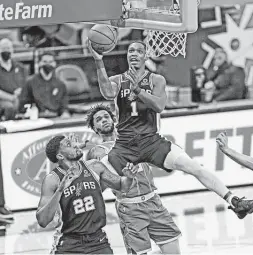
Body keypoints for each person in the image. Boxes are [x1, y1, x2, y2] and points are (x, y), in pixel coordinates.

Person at [89, 40, 253, 223]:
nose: (133, 54)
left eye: (138, 51)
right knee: (96, 176)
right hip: (125, 145)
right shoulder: (118, 80)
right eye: (130, 51)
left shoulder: (156, 79)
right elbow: (107, 93)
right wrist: (98, 61)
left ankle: (234, 201)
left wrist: (138, 91)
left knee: (194, 167)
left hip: (151, 141)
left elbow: (159, 106)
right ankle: (75, 215)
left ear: (146, 55)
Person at [86, 104, 181, 255]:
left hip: (153, 201)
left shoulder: (134, 137)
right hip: (130, 207)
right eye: (98, 119)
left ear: (114, 120)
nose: (104, 120)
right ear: (95, 128)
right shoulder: (96, 152)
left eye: (106, 117)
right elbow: (97, 187)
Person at [36, 135, 137, 254]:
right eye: (69, 144)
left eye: (73, 142)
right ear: (60, 156)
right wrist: (60, 191)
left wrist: (129, 178)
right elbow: (42, 221)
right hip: (68, 244)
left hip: (98, 241)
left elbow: (122, 186)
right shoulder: (52, 180)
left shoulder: (95, 166)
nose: (75, 144)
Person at [19, 52, 70, 118]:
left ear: (55, 64)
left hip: (56, 118)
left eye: (50, 61)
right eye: (45, 61)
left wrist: (65, 113)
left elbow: (64, 105)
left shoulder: (60, 84)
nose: (48, 64)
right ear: (40, 63)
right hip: (37, 118)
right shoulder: (30, 82)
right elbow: (23, 105)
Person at [0, 38, 26, 120]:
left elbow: (25, 84)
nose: (6, 51)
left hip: (18, 98)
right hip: (3, 99)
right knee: (10, 106)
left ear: (12, 50)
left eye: (8, 48)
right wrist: (11, 97)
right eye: (4, 48)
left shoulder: (20, 67)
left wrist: (20, 91)